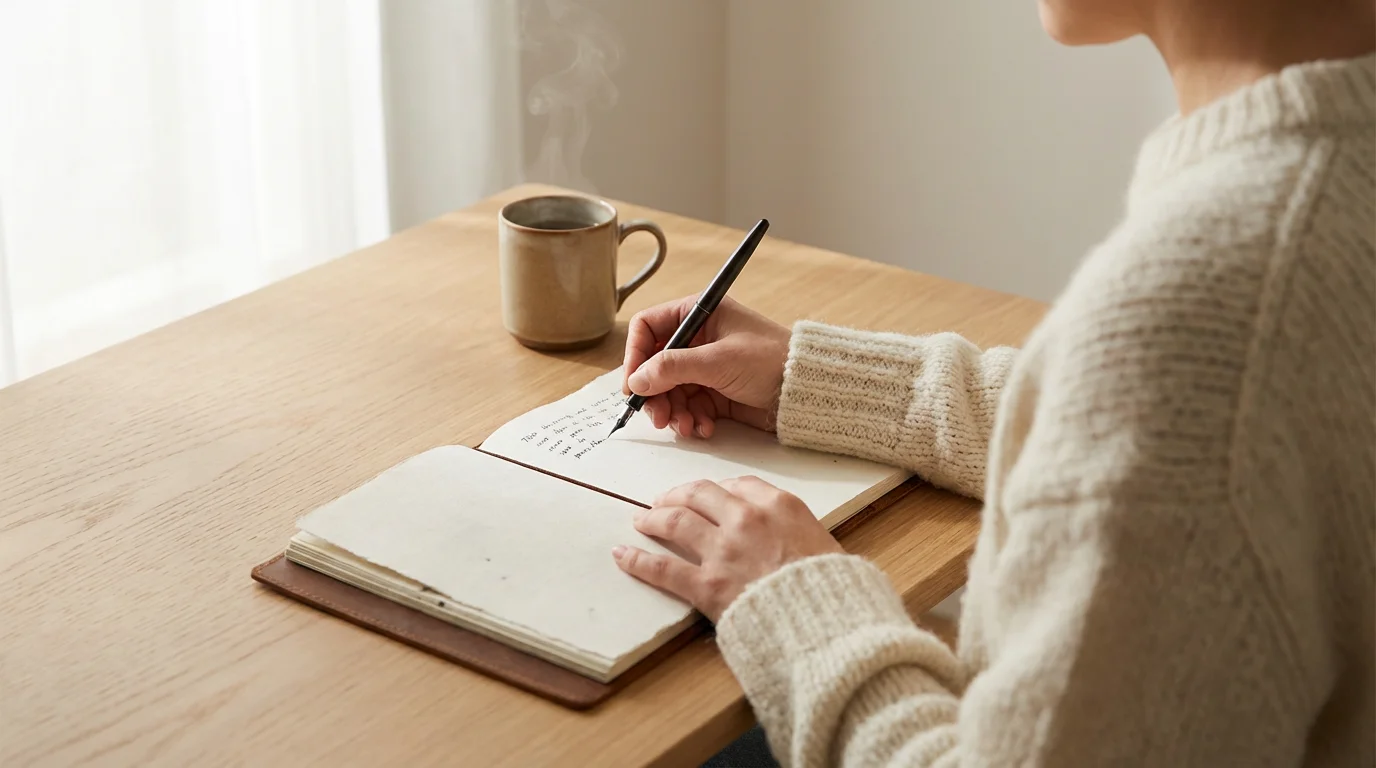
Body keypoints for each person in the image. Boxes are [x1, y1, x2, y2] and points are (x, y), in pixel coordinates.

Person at [610, 1, 1374, 766]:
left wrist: (800, 604)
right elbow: (1207, 438)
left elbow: (1194, 408)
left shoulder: (1211, 309)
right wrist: (815, 379)